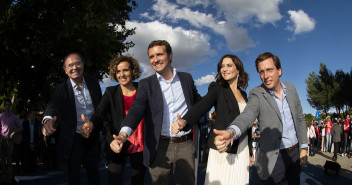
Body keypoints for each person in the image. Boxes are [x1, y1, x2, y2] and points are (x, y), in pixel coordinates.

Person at [111, 40, 201, 185]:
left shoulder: (186, 79)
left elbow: (199, 104)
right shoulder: (146, 84)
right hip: (158, 147)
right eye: (151, 56)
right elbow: (136, 110)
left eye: (159, 54)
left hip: (185, 144)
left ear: (170, 55)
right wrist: (123, 134)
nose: (155, 59)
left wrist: (188, 119)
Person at [213, 52, 308, 185]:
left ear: (279, 71)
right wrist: (231, 132)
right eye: (261, 72)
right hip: (273, 160)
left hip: (294, 155)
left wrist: (303, 147)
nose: (265, 76)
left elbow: (299, 118)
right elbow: (247, 115)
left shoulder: (291, 88)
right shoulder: (256, 94)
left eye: (269, 70)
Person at [171, 54, 253, 184]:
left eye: (229, 65)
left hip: (241, 147)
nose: (224, 69)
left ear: (238, 70)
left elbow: (246, 122)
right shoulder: (217, 88)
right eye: (222, 66)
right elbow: (203, 105)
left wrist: (250, 150)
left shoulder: (243, 94)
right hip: (222, 147)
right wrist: (185, 121)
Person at [81, 56, 146, 185]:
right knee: (114, 181)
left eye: (125, 70)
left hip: (139, 145)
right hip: (116, 143)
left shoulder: (143, 89)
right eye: (118, 71)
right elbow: (99, 112)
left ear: (133, 71)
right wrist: (92, 123)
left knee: (138, 181)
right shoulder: (111, 92)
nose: (121, 75)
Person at [41, 52, 102, 185]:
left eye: (77, 63)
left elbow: (100, 108)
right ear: (65, 70)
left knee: (94, 173)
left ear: (83, 65)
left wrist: (96, 125)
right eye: (70, 65)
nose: (74, 67)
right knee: (73, 175)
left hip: (92, 136)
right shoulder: (61, 89)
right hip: (73, 139)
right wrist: (47, 120)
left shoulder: (93, 83)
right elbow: (53, 105)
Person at [0, 99, 22, 184]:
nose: (7, 107)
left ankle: (9, 179)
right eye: (6, 105)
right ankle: (3, 177)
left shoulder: (14, 117)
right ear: (4, 106)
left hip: (10, 141)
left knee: (9, 161)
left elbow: (20, 128)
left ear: (11, 106)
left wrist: (14, 132)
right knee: (2, 161)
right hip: (2, 140)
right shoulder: (1, 116)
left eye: (9, 105)